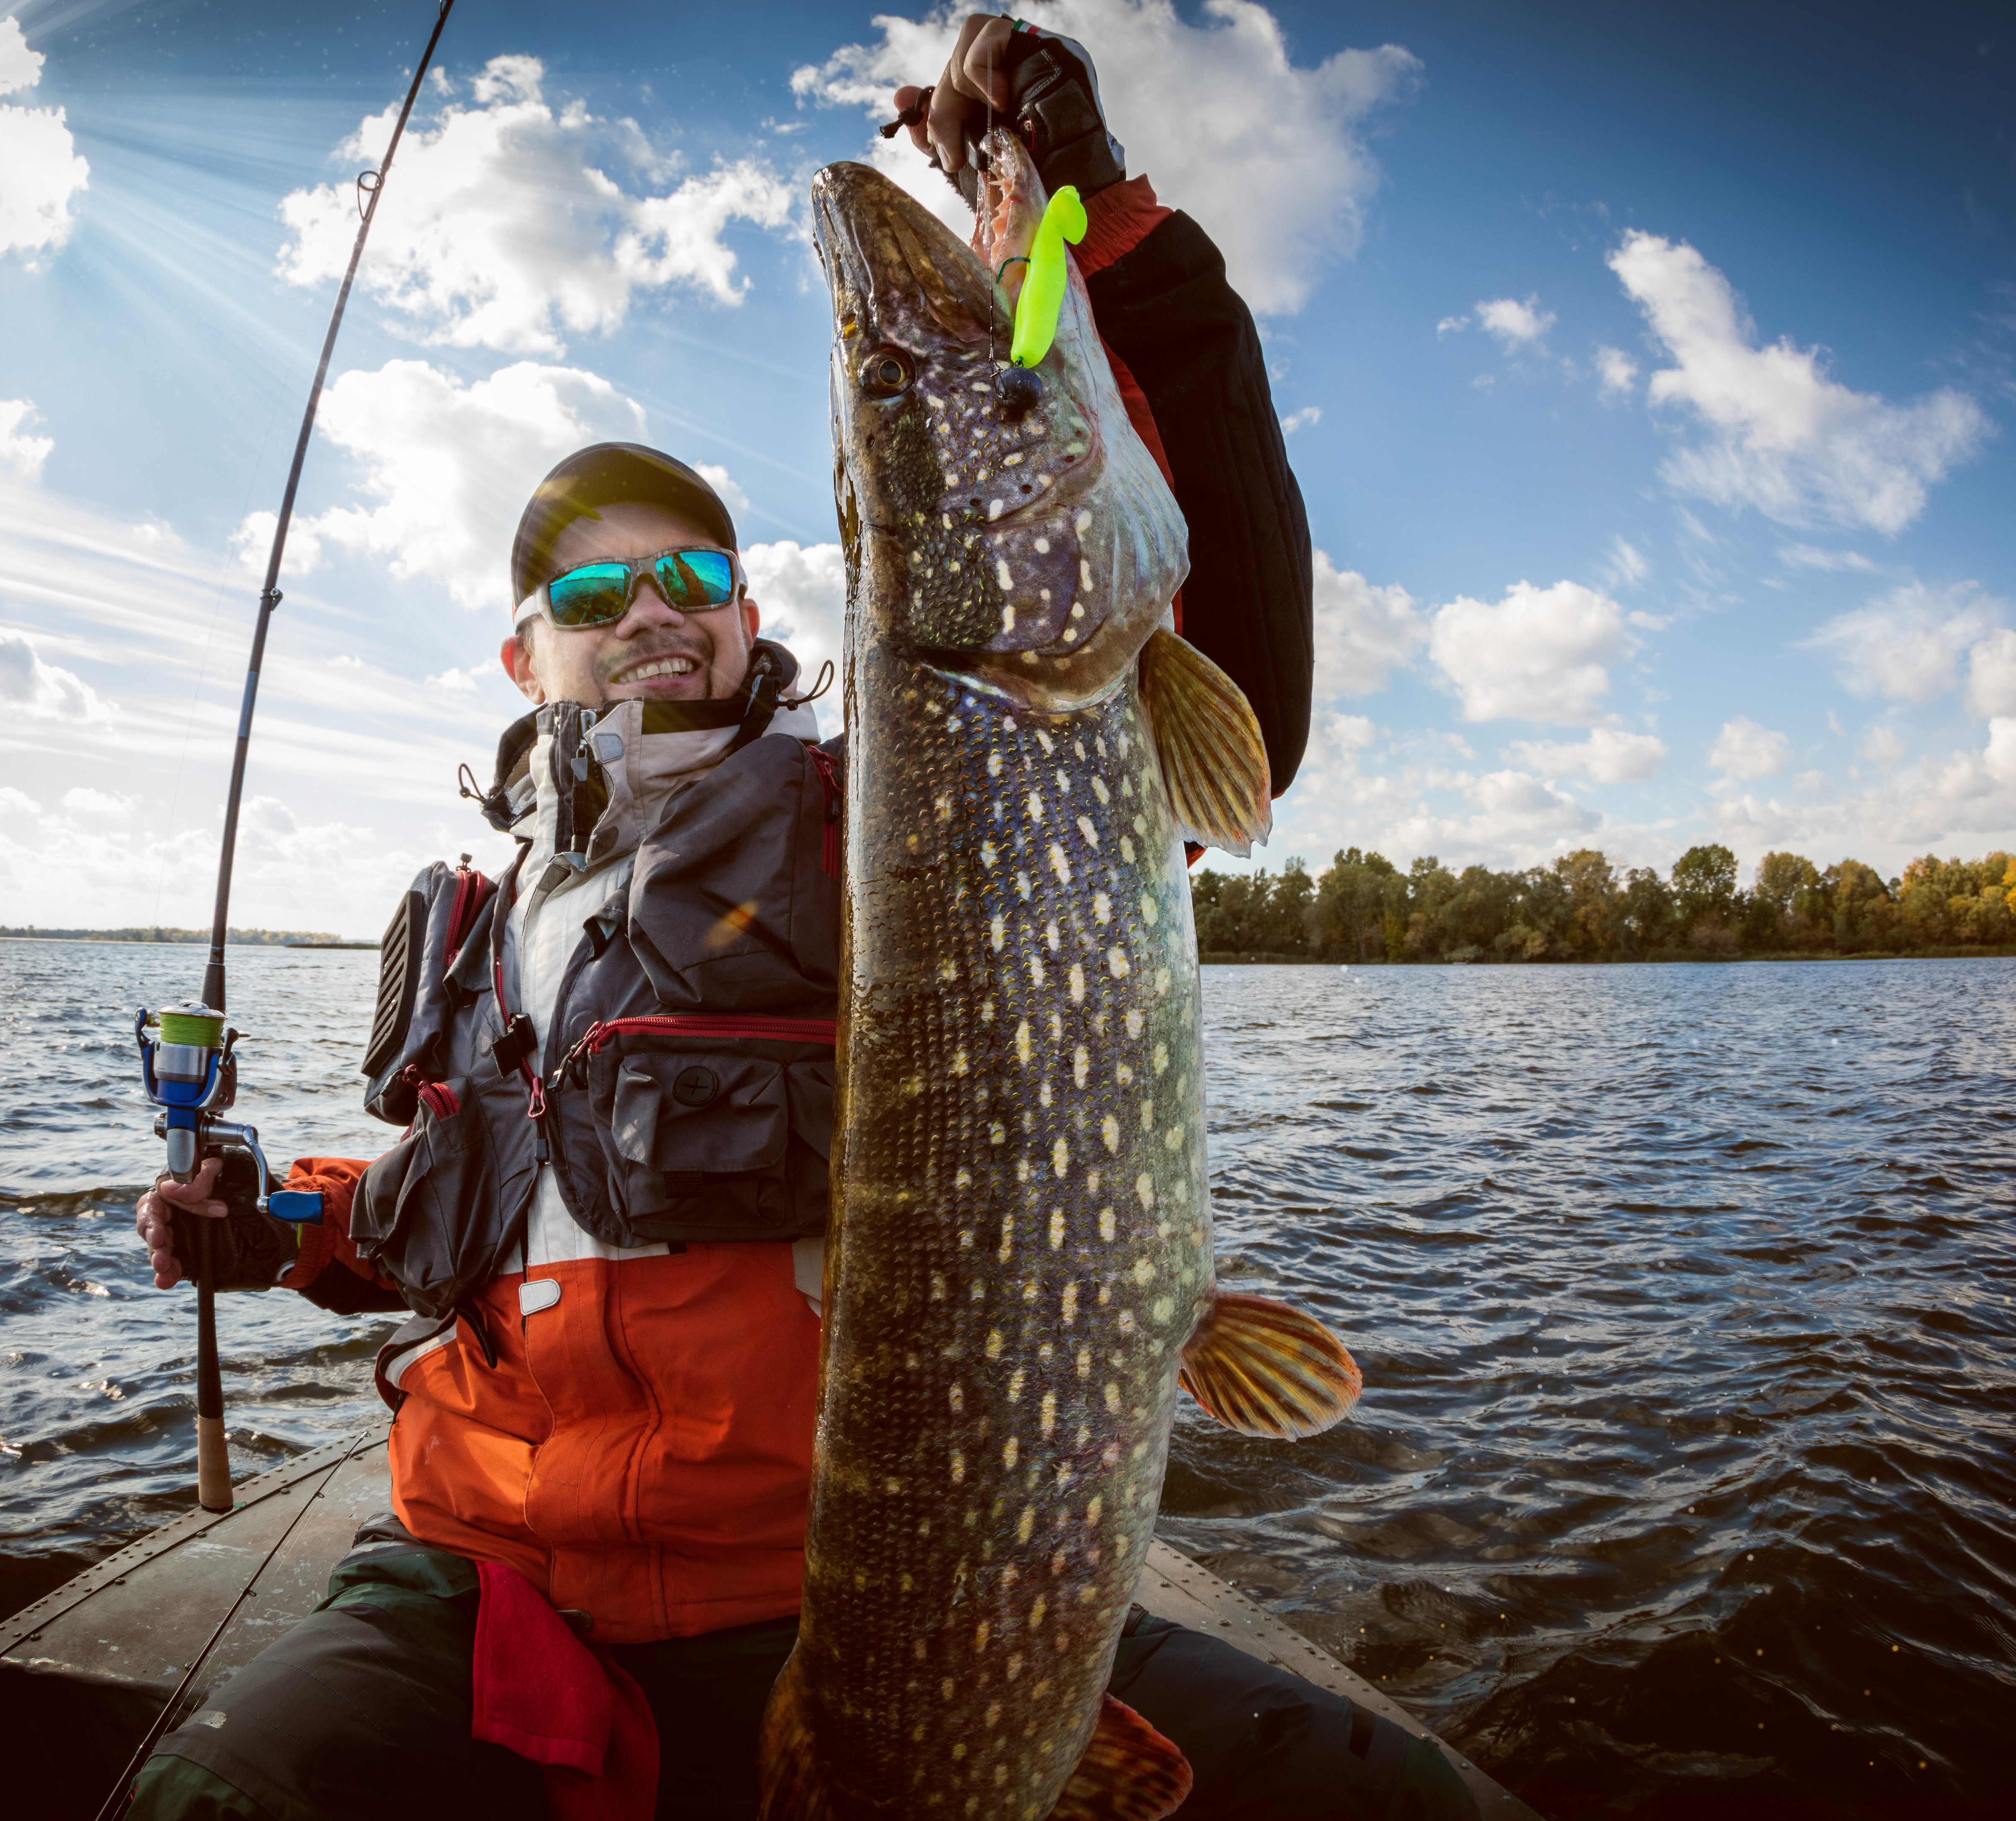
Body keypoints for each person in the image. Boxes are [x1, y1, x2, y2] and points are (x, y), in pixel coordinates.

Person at [126, 18, 1471, 1820]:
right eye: (594, 586)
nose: (653, 609)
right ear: (522, 653)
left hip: (841, 1582)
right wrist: (269, 1229)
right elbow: (464, 1211)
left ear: (750, 618)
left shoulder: (901, 812)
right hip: (486, 1586)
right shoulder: (464, 918)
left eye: (693, 574)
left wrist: (1099, 225)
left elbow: (1220, 630)